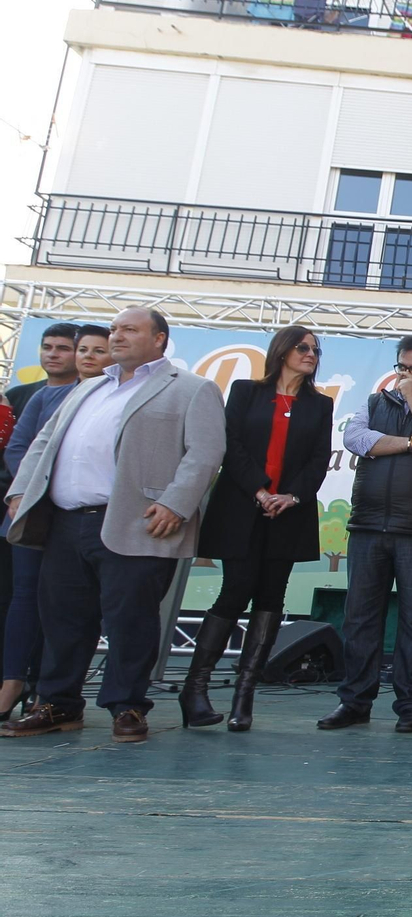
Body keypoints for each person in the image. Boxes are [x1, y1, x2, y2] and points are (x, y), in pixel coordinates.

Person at [1, 307, 225, 743]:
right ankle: (57, 705)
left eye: (129, 329)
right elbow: (45, 442)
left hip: (137, 521)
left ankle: (128, 707)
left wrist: (175, 505)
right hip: (66, 522)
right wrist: (19, 492)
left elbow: (205, 452)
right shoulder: (88, 389)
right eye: (115, 329)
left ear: (159, 339)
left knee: (131, 620)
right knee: (62, 619)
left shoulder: (191, 389)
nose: (117, 336)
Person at [184, 327, 332, 731]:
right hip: (241, 507)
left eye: (316, 350)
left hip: (289, 513)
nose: (311, 354)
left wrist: (292, 497)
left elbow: (319, 459)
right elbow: (231, 444)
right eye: (303, 347)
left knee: (271, 597)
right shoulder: (246, 391)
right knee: (236, 589)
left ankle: (244, 695)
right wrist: (260, 491)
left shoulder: (320, 405)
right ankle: (195, 688)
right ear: (282, 351)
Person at [318, 336, 412, 733]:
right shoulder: (372, 403)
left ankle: (411, 705)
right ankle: (354, 701)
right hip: (368, 526)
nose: (405, 375)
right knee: (360, 619)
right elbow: (355, 440)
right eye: (402, 367)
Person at [0, 324, 110, 718]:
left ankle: (49, 691)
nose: (82, 356)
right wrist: (29, 492)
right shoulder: (42, 396)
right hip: (35, 512)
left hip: (83, 517)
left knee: (67, 606)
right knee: (24, 598)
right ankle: (12, 681)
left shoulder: (113, 396)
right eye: (79, 349)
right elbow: (20, 449)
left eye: (94, 350)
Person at [5, 322, 79, 418]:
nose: (52, 355)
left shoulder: (91, 396)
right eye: (47, 348)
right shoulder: (16, 395)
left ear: (80, 353)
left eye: (63, 349)